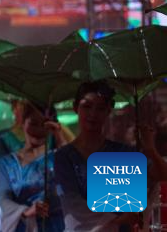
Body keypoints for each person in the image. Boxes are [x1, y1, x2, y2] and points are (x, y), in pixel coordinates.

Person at [53, 81, 167, 231]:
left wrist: (151, 149)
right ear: (76, 108)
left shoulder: (123, 152)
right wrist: (120, 218)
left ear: (108, 111)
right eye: (87, 106)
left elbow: (161, 175)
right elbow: (74, 205)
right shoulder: (64, 156)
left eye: (100, 108)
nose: (93, 114)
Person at [0, 104, 64, 232]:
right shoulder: (7, 163)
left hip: (56, 226)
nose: (38, 130)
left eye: (44, 125)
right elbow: (3, 198)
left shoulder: (57, 157)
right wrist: (27, 211)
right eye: (33, 124)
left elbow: (74, 174)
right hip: (23, 226)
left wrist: (59, 135)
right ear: (23, 123)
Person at [0, 103, 27, 221]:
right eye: (23, 105)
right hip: (12, 212)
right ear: (14, 109)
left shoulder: (50, 138)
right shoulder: (3, 139)